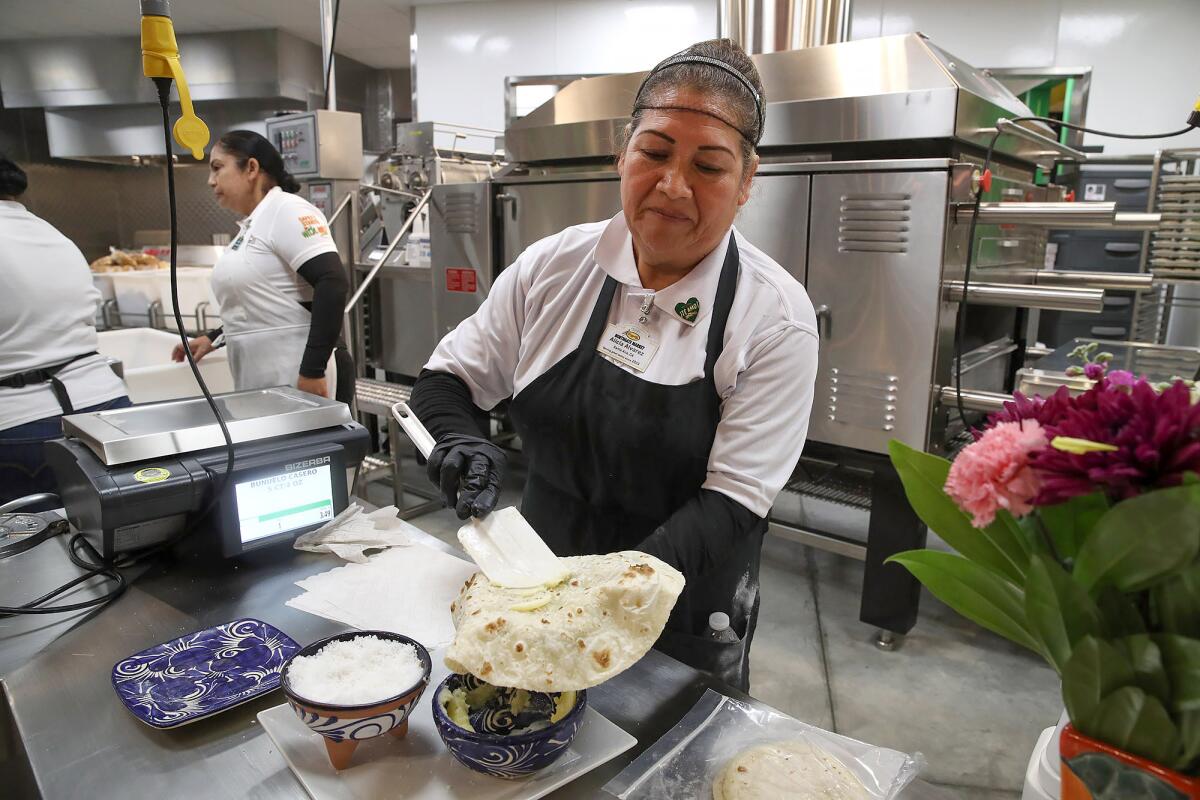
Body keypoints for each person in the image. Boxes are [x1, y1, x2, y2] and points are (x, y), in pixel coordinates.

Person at [411, 39, 818, 690]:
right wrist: (460, 439)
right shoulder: (553, 267)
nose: (673, 186)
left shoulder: (773, 318)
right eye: (654, 153)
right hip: (531, 587)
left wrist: (600, 604)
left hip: (680, 612)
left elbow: (735, 501)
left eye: (709, 167)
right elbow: (446, 381)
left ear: (746, 183)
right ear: (621, 155)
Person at [172, 130, 353, 404]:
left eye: (218, 168)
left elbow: (332, 282)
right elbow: (261, 306)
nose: (211, 181)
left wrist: (312, 370)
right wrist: (213, 338)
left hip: (300, 373)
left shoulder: (287, 210)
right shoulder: (254, 224)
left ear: (252, 168)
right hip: (268, 375)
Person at [0, 156, 132, 507]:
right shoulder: (53, 234)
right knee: (117, 544)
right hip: (108, 409)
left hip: (22, 427)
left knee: (31, 555)